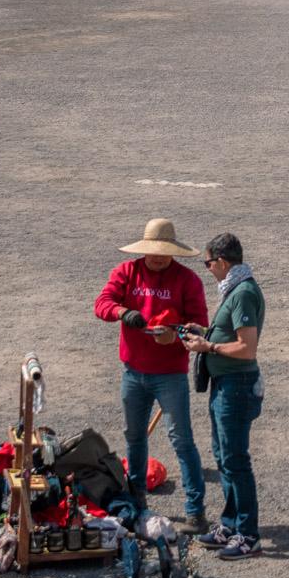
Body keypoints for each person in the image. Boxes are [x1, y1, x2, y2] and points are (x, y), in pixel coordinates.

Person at [94, 218, 208, 534]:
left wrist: (175, 335)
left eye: (163, 252)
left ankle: (196, 511)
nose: (157, 258)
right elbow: (102, 303)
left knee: (181, 440)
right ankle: (137, 502)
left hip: (170, 374)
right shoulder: (126, 272)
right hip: (133, 371)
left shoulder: (188, 281)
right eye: (153, 252)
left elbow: (200, 325)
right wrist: (122, 312)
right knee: (134, 436)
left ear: (173, 251)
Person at [182, 234, 265, 560]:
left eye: (208, 263)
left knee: (235, 460)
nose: (208, 269)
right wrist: (205, 332)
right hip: (225, 384)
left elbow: (247, 348)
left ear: (222, 261)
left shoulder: (243, 293)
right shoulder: (234, 288)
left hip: (236, 385)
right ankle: (230, 524)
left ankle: (248, 534)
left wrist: (209, 347)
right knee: (223, 455)